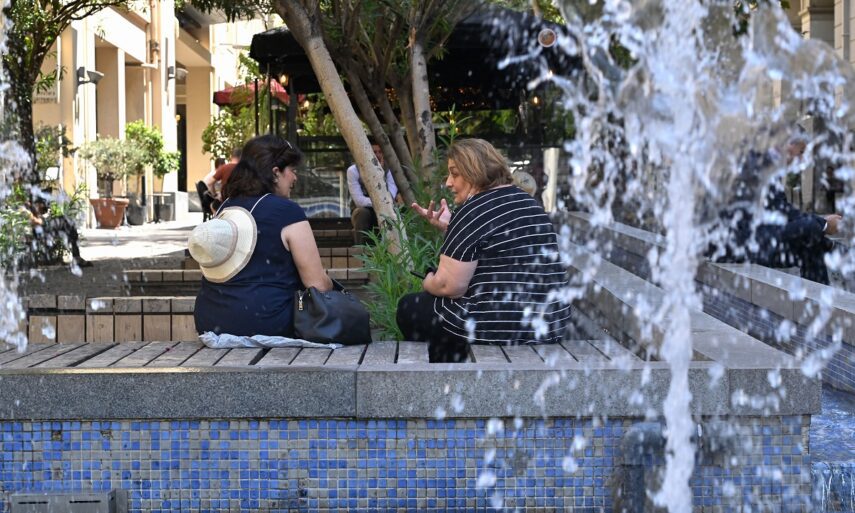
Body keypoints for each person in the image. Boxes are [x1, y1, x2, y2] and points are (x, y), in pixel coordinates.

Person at [396, 138, 571, 362]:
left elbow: (449, 287)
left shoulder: (474, 209)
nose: (448, 183)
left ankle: (449, 373)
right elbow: (501, 253)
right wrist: (453, 227)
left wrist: (428, 280)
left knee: (410, 307)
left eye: (454, 174)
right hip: (548, 324)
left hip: (504, 327)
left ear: (474, 171)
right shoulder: (529, 203)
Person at [191, 135, 332, 337]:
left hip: (210, 322)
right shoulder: (288, 212)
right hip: (267, 322)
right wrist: (332, 284)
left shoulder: (225, 208)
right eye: (292, 170)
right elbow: (318, 285)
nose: (295, 178)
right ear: (275, 172)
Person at [708, 134, 842, 285]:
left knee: (810, 238)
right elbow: (782, 211)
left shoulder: (767, 165)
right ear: (788, 145)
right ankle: (830, 252)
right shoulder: (756, 164)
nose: (803, 159)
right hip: (739, 247)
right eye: (801, 152)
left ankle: (816, 293)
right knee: (810, 230)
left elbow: (784, 210)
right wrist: (824, 224)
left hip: (755, 239)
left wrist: (821, 222)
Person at [346, 142, 402, 244]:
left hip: (385, 209)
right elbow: (359, 201)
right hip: (364, 210)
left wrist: (380, 174)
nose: (378, 155)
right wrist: (380, 202)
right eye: (374, 152)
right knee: (362, 213)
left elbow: (391, 196)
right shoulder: (353, 171)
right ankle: (361, 249)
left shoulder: (388, 170)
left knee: (398, 211)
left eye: (380, 152)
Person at [22, 198, 91, 268]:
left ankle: (76, 257)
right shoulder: (25, 209)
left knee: (68, 224)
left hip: (43, 227)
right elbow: (35, 221)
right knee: (65, 222)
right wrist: (41, 219)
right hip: (40, 229)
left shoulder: (32, 207)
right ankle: (76, 257)